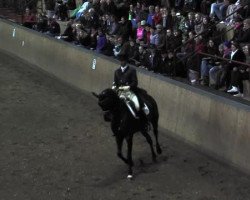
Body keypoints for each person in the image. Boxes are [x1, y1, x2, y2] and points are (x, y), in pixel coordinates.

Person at [112, 56, 149, 126]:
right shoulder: (116, 71)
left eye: (123, 61)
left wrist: (127, 87)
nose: (121, 62)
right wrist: (114, 88)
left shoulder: (132, 70)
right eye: (120, 61)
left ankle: (141, 122)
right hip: (120, 92)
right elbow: (115, 83)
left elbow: (135, 82)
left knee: (137, 105)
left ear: (126, 62)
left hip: (130, 92)